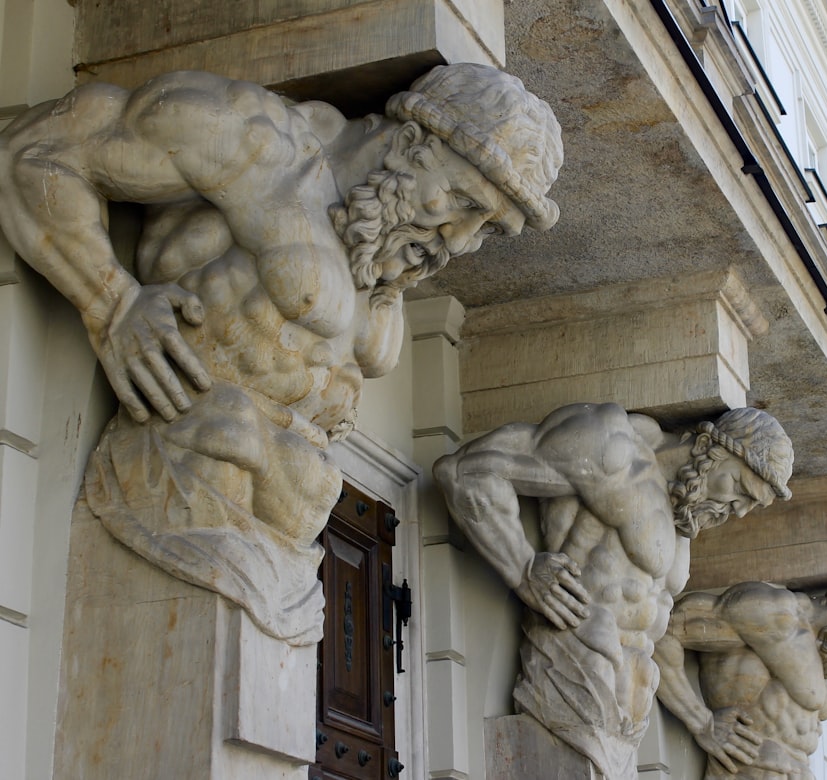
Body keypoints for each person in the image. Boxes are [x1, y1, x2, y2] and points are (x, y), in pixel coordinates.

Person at [0, 63, 563, 644]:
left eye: (489, 228)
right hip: (181, 488)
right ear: (409, 143)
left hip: (289, 553)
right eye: (465, 201)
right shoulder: (260, 144)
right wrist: (111, 303)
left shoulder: (390, 260)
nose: (462, 239)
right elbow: (37, 151)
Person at [433, 402, 793, 780]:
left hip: (628, 714)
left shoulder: (685, 516)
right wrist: (523, 568)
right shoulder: (611, 446)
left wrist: (700, 721)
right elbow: (464, 472)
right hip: (574, 672)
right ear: (711, 448)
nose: (736, 512)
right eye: (739, 488)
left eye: (750, 506)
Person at [654, 577, 827, 779]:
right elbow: (664, 631)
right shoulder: (773, 614)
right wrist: (701, 721)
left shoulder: (824, 653)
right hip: (751, 770)